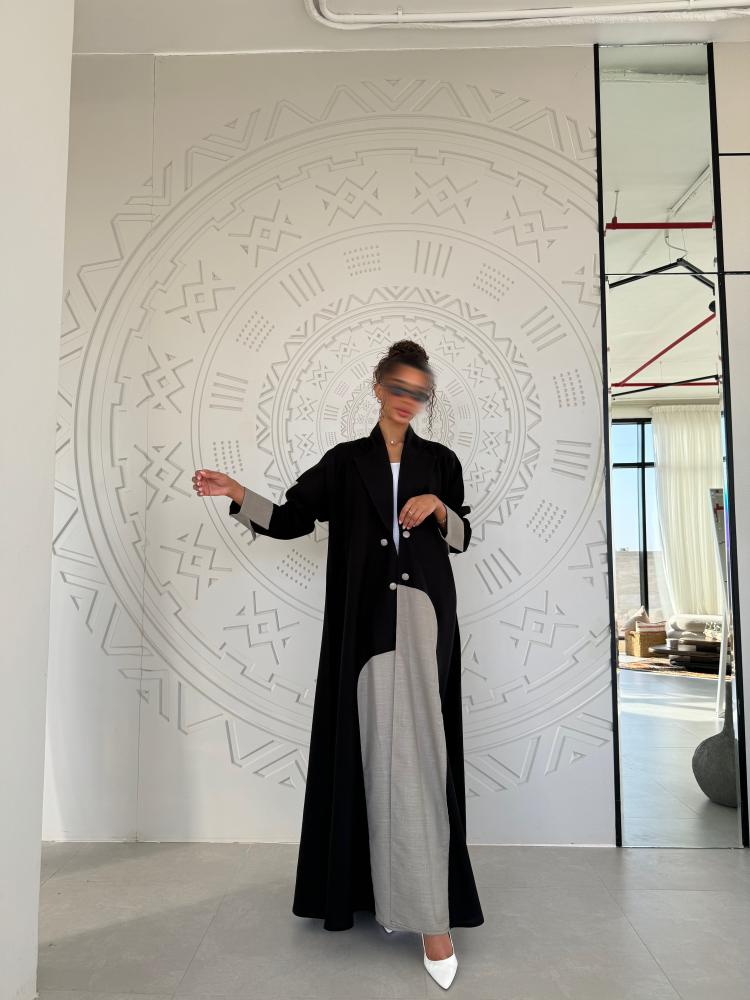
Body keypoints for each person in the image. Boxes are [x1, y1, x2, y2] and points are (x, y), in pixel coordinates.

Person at [193, 339, 483, 989]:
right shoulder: (345, 462)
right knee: (369, 754)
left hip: (425, 618)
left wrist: (439, 508)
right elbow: (292, 520)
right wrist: (239, 493)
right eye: (399, 388)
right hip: (365, 624)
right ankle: (381, 894)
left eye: (420, 393)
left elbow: (464, 536)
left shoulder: (441, 462)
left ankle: (432, 917)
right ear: (378, 387)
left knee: (421, 758)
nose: (408, 401)